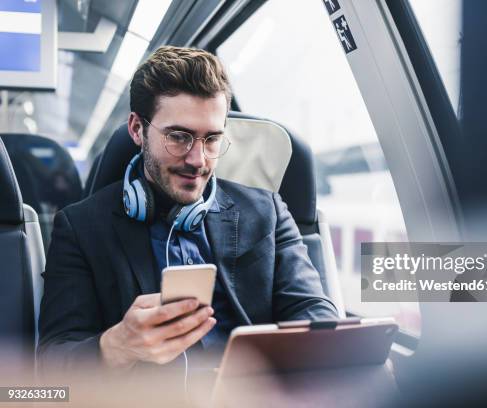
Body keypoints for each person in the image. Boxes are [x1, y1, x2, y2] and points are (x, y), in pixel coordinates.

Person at [37, 46, 338, 373]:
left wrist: (326, 356)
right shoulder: (81, 227)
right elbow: (52, 362)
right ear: (137, 129)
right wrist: (116, 345)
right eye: (179, 137)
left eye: (211, 140)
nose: (198, 161)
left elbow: (312, 309)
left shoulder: (267, 212)